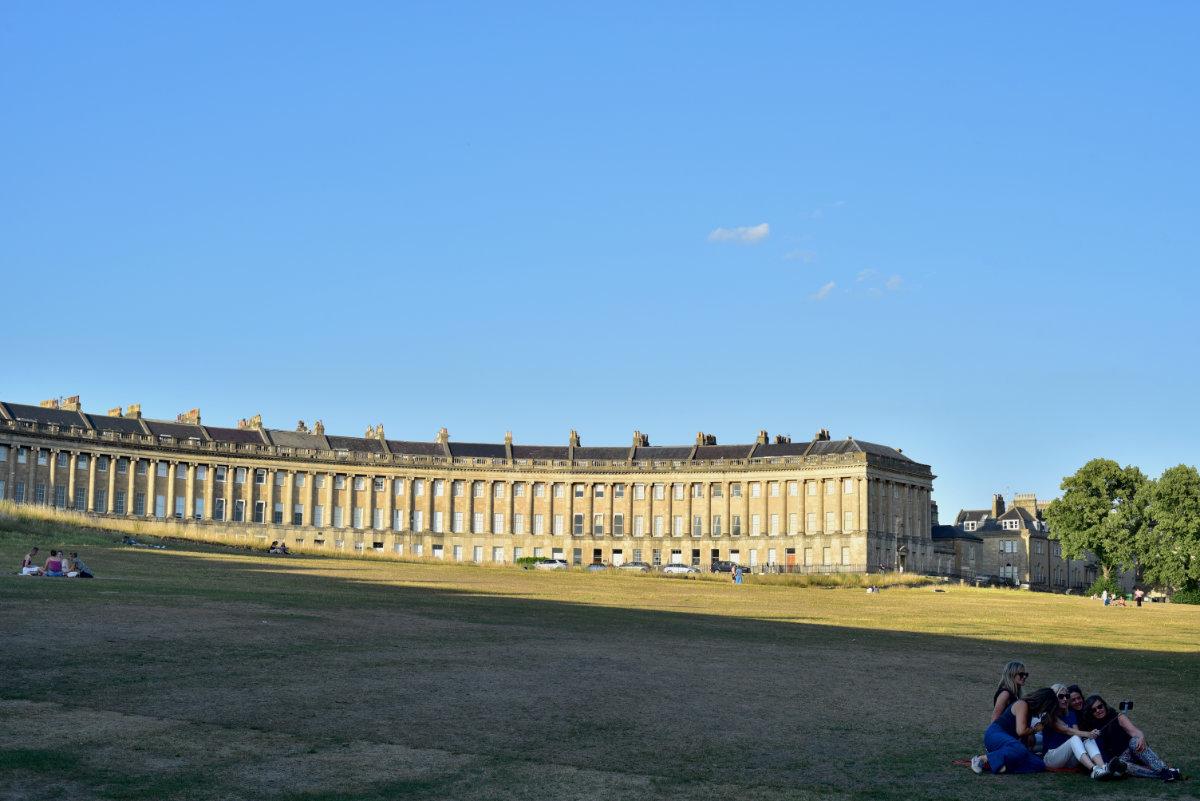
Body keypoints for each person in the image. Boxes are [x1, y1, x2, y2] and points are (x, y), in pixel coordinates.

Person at [1080, 695, 1182, 781]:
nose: (1098, 710)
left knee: (1135, 741)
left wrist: (1141, 737)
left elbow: (1134, 731)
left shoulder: (1117, 716)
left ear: (1104, 705)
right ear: (1090, 713)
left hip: (1131, 749)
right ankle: (1168, 773)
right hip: (1119, 758)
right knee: (1120, 765)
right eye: (1094, 710)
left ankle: (1163, 770)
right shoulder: (1090, 727)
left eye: (1100, 706)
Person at [971, 687, 1060, 775]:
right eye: (1046, 709)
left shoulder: (1030, 713)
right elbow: (1021, 731)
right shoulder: (1022, 704)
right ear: (1043, 703)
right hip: (995, 734)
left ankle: (998, 765)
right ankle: (981, 759)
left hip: (1009, 744)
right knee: (1019, 749)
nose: (1044, 711)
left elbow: (1028, 743)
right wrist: (1035, 729)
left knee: (1039, 764)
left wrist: (1033, 733)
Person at [1040, 683, 1105, 775]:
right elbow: (1067, 730)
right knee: (1075, 738)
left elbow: (1077, 732)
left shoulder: (1070, 714)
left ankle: (1103, 767)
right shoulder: (1048, 715)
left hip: (1069, 759)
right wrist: (1088, 733)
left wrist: (1090, 735)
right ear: (1054, 698)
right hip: (1051, 758)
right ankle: (1094, 770)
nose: (1065, 699)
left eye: (1066, 696)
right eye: (1061, 696)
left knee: (1086, 739)